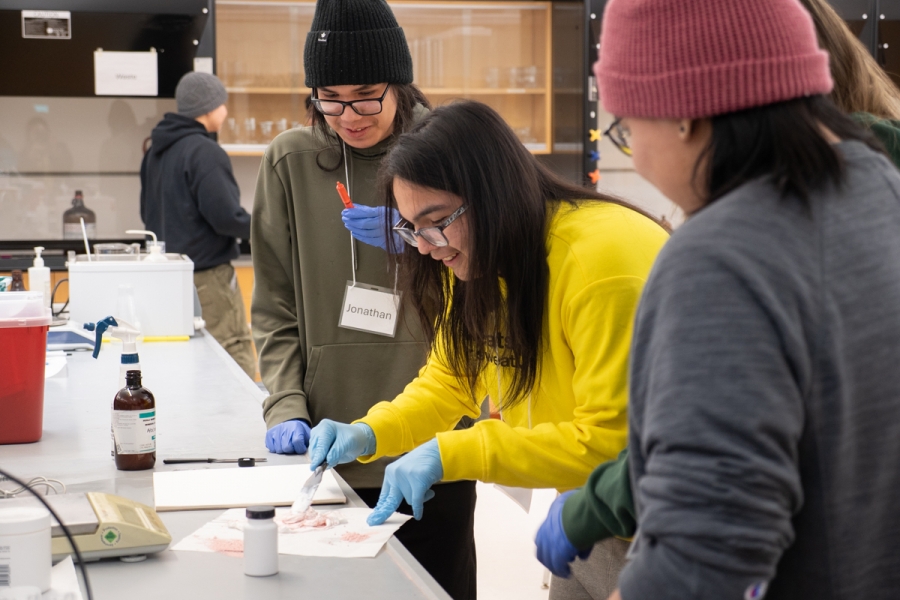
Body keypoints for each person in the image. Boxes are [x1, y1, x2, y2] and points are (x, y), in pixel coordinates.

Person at [535, 0, 900, 585]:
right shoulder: (881, 189)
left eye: (628, 128)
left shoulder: (722, 257)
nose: (641, 161)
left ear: (684, 114)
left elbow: (700, 556)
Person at [305, 100, 668, 597]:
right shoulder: (476, 255)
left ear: (493, 195)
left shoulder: (600, 263)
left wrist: (454, 451)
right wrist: (370, 431)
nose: (426, 246)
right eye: (410, 229)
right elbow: (451, 378)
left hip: (666, 528)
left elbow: (613, 445)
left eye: (435, 222)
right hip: (589, 511)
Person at [249, 1, 479, 598]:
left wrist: (422, 230)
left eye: (367, 94)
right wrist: (285, 404)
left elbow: (497, 284)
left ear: (398, 84)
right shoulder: (290, 161)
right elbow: (274, 304)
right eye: (330, 97)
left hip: (436, 441)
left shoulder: (452, 150)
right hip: (334, 441)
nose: (349, 115)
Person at [140, 72, 255, 378]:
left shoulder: (154, 151)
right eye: (222, 104)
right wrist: (266, 228)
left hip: (167, 277)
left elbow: (146, 212)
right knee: (231, 351)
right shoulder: (204, 151)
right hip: (208, 279)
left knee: (187, 362)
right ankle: (242, 425)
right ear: (207, 107)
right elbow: (226, 217)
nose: (226, 111)